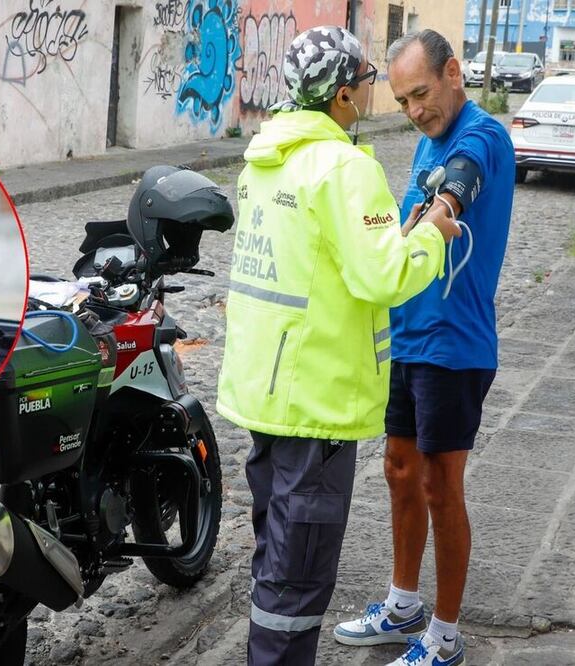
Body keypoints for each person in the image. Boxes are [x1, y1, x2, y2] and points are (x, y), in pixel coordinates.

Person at [214, 25, 460, 666]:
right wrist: (431, 234)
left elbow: (317, 264)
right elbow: (385, 278)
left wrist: (394, 237)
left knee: (274, 560)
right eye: (369, 85)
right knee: (297, 579)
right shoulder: (347, 168)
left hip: (263, 394)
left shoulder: (263, 161)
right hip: (316, 404)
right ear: (343, 95)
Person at [332, 29, 514, 666]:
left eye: (422, 94)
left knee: (442, 485)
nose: (413, 110)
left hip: (455, 346)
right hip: (408, 338)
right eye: (404, 99)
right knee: (399, 471)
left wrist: (429, 214)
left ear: (453, 74)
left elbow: (453, 191)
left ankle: (444, 632)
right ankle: (402, 603)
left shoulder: (480, 136)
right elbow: (398, 231)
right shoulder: (425, 142)